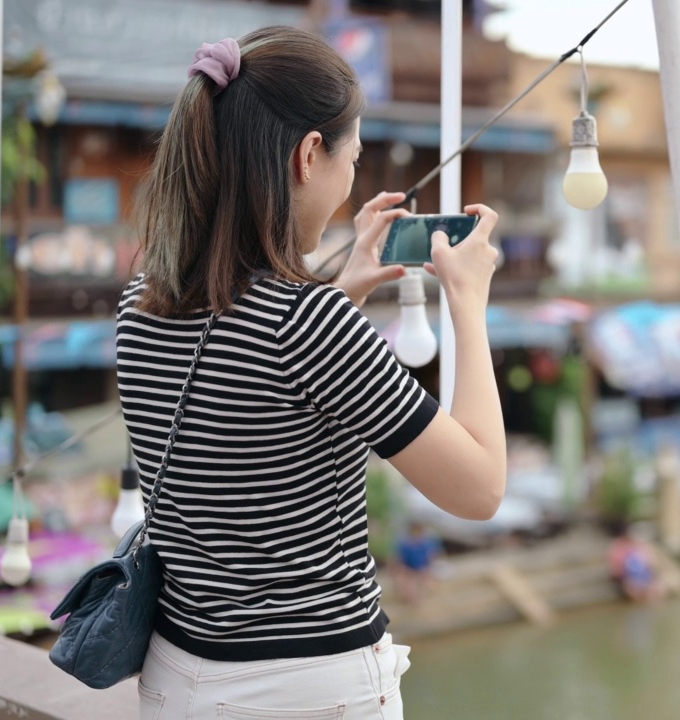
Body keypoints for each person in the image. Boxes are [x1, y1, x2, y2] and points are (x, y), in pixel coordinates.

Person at [119, 28, 505, 720]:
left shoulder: (141, 301)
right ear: (308, 156)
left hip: (177, 677)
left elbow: (250, 386)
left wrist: (342, 291)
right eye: (352, 157)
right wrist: (468, 306)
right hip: (308, 690)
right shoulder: (309, 324)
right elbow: (479, 488)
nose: (351, 178)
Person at [607, 522, 664, 604]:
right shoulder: (617, 548)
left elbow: (651, 563)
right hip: (628, 578)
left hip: (645, 575)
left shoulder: (641, 546)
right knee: (633, 589)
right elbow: (616, 570)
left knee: (658, 587)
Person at [393, 522, 443, 605]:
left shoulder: (426, 544)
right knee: (409, 586)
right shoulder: (405, 545)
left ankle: (420, 599)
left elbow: (432, 556)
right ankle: (413, 600)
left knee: (427, 585)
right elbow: (400, 560)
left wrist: (429, 568)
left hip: (423, 568)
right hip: (410, 569)